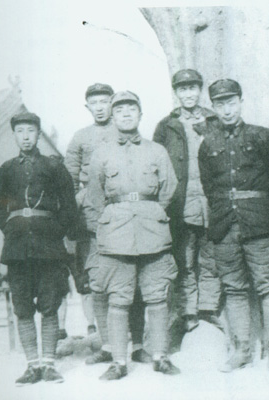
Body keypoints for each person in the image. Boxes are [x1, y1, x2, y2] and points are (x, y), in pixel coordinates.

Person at [86, 91, 180, 380]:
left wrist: (149, 211)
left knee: (156, 296)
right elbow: (94, 195)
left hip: (152, 231)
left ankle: (161, 356)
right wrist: (115, 218)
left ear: (140, 115)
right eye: (120, 110)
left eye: (131, 109)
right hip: (116, 236)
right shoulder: (101, 153)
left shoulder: (156, 151)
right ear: (113, 117)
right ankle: (118, 361)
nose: (126, 114)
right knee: (118, 298)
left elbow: (169, 188)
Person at [198, 79, 269, 371]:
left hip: (259, 225)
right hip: (225, 226)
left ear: (241, 102)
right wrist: (228, 209)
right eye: (220, 104)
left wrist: (260, 209)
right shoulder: (208, 144)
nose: (227, 110)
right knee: (234, 289)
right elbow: (209, 186)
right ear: (213, 107)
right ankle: (241, 350)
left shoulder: (262, 136)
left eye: (231, 102)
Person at [65, 83, 150, 364]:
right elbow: (69, 179)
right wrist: (85, 201)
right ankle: (108, 346)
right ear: (87, 106)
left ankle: (137, 344)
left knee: (132, 280)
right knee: (99, 282)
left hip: (126, 218)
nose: (100, 107)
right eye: (95, 102)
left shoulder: (126, 132)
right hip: (92, 221)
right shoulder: (80, 138)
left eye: (105, 102)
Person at [0, 112, 77, 384]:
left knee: (50, 305)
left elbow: (69, 207)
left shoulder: (54, 167)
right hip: (18, 250)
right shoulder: (6, 170)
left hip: (49, 247)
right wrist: (14, 230)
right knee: (22, 307)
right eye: (20, 131)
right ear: (15, 135)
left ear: (38, 134)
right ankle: (32, 365)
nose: (26, 136)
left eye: (30, 131)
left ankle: (50, 364)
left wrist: (54, 232)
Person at [154, 69, 222, 333]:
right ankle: (188, 312)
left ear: (200, 90)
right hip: (179, 204)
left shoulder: (214, 120)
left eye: (193, 88)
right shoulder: (166, 126)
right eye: (183, 89)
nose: (189, 94)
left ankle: (208, 308)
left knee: (211, 258)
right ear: (176, 93)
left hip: (211, 201)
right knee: (184, 260)